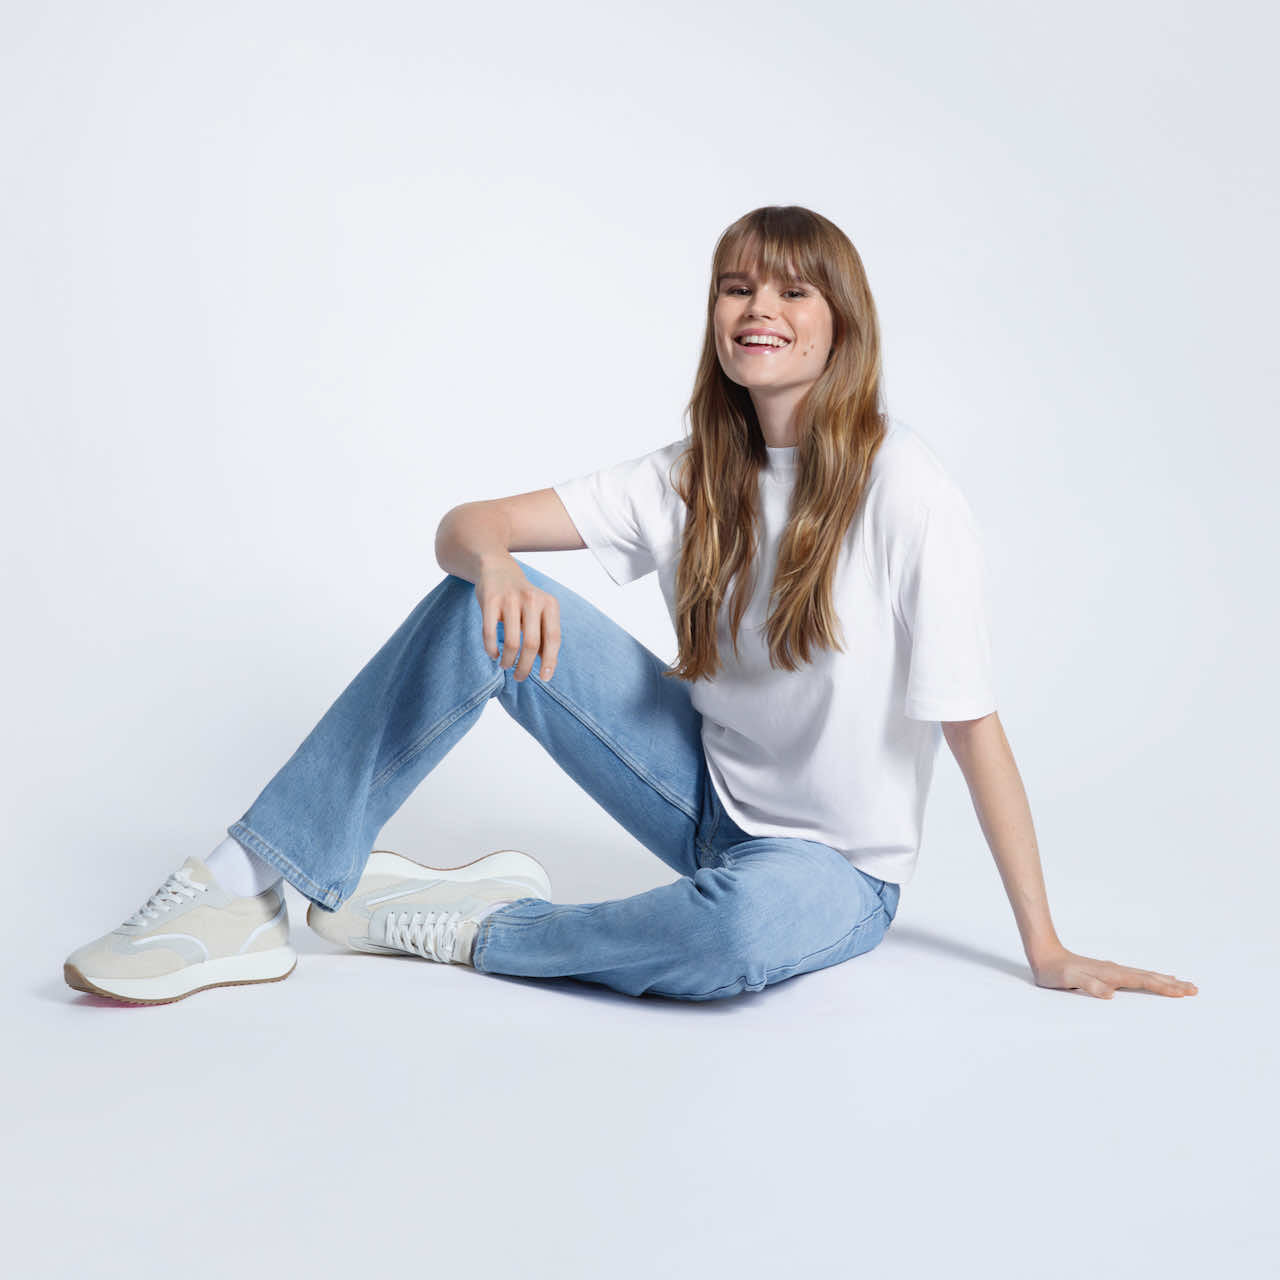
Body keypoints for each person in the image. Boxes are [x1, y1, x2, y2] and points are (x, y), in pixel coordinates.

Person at [64, 205, 1199, 1006]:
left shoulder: (907, 488)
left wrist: (1042, 944)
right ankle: (239, 885)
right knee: (471, 605)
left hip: (833, 870)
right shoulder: (693, 468)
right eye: (737, 284)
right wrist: (495, 564)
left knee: (738, 934)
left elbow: (971, 726)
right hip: (698, 790)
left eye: (792, 290)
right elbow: (466, 522)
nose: (759, 306)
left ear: (839, 324)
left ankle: (476, 926)